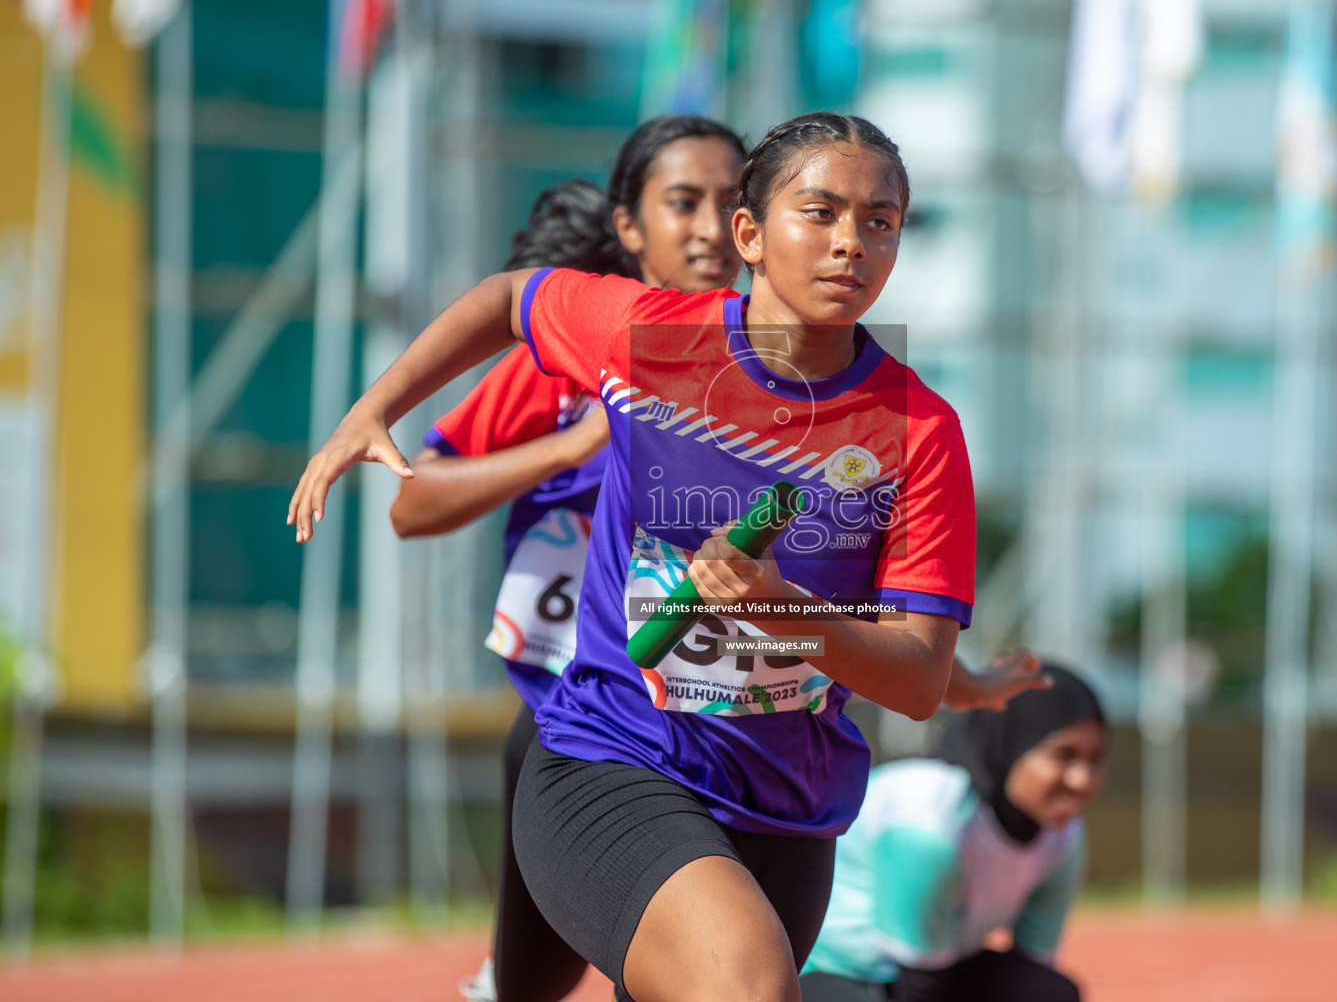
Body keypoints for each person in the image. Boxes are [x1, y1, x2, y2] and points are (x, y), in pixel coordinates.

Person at [289, 112, 985, 1002]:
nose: (852, 243)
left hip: (784, 809)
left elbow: (919, 679)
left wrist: (777, 609)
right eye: (820, 212)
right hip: (615, 758)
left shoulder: (919, 432)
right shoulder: (650, 339)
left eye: (879, 222)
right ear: (751, 235)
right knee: (744, 985)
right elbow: (512, 298)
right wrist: (374, 408)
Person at [389, 115, 750, 1002]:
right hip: (575, 713)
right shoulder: (561, 364)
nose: (710, 227)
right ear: (629, 228)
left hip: (725, 722)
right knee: (544, 984)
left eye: (731, 203)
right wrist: (571, 446)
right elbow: (411, 503)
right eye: (683, 202)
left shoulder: (768, 368)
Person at [799, 663, 1108, 1002]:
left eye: (1096, 759)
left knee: (1047, 992)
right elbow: (918, 989)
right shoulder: (930, 821)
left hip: (934, 969)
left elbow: (1031, 964)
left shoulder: (1062, 837)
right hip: (832, 968)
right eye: (1064, 755)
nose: (1084, 780)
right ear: (1011, 740)